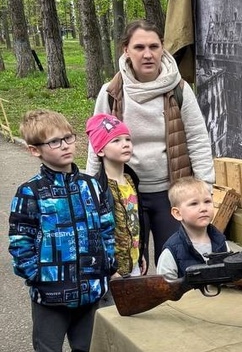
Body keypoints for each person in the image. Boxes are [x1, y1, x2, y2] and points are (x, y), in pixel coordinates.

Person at [9, 111, 117, 352]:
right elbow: (20, 242)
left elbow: (107, 228)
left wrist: (106, 265)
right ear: (35, 150)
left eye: (68, 137)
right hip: (50, 296)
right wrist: (37, 276)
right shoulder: (30, 193)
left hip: (90, 289)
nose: (66, 145)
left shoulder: (91, 187)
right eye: (54, 142)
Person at [85, 21, 215, 264]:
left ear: (162, 48)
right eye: (139, 47)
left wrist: (205, 187)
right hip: (124, 193)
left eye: (154, 46)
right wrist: (90, 188)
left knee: (176, 262)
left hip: (170, 192)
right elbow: (96, 143)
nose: (147, 54)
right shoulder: (111, 92)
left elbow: (197, 139)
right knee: (131, 264)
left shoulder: (179, 89)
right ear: (126, 50)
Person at [86, 114, 147, 279]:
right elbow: (94, 234)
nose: (125, 144)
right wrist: (110, 269)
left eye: (128, 139)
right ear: (100, 150)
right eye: (116, 141)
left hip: (134, 264)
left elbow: (136, 223)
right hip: (112, 271)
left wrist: (140, 253)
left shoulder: (131, 180)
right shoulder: (97, 188)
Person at [156, 177, 229, 280]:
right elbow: (165, 286)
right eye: (194, 203)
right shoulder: (172, 250)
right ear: (177, 213)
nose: (203, 208)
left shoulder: (221, 241)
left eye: (207, 201)